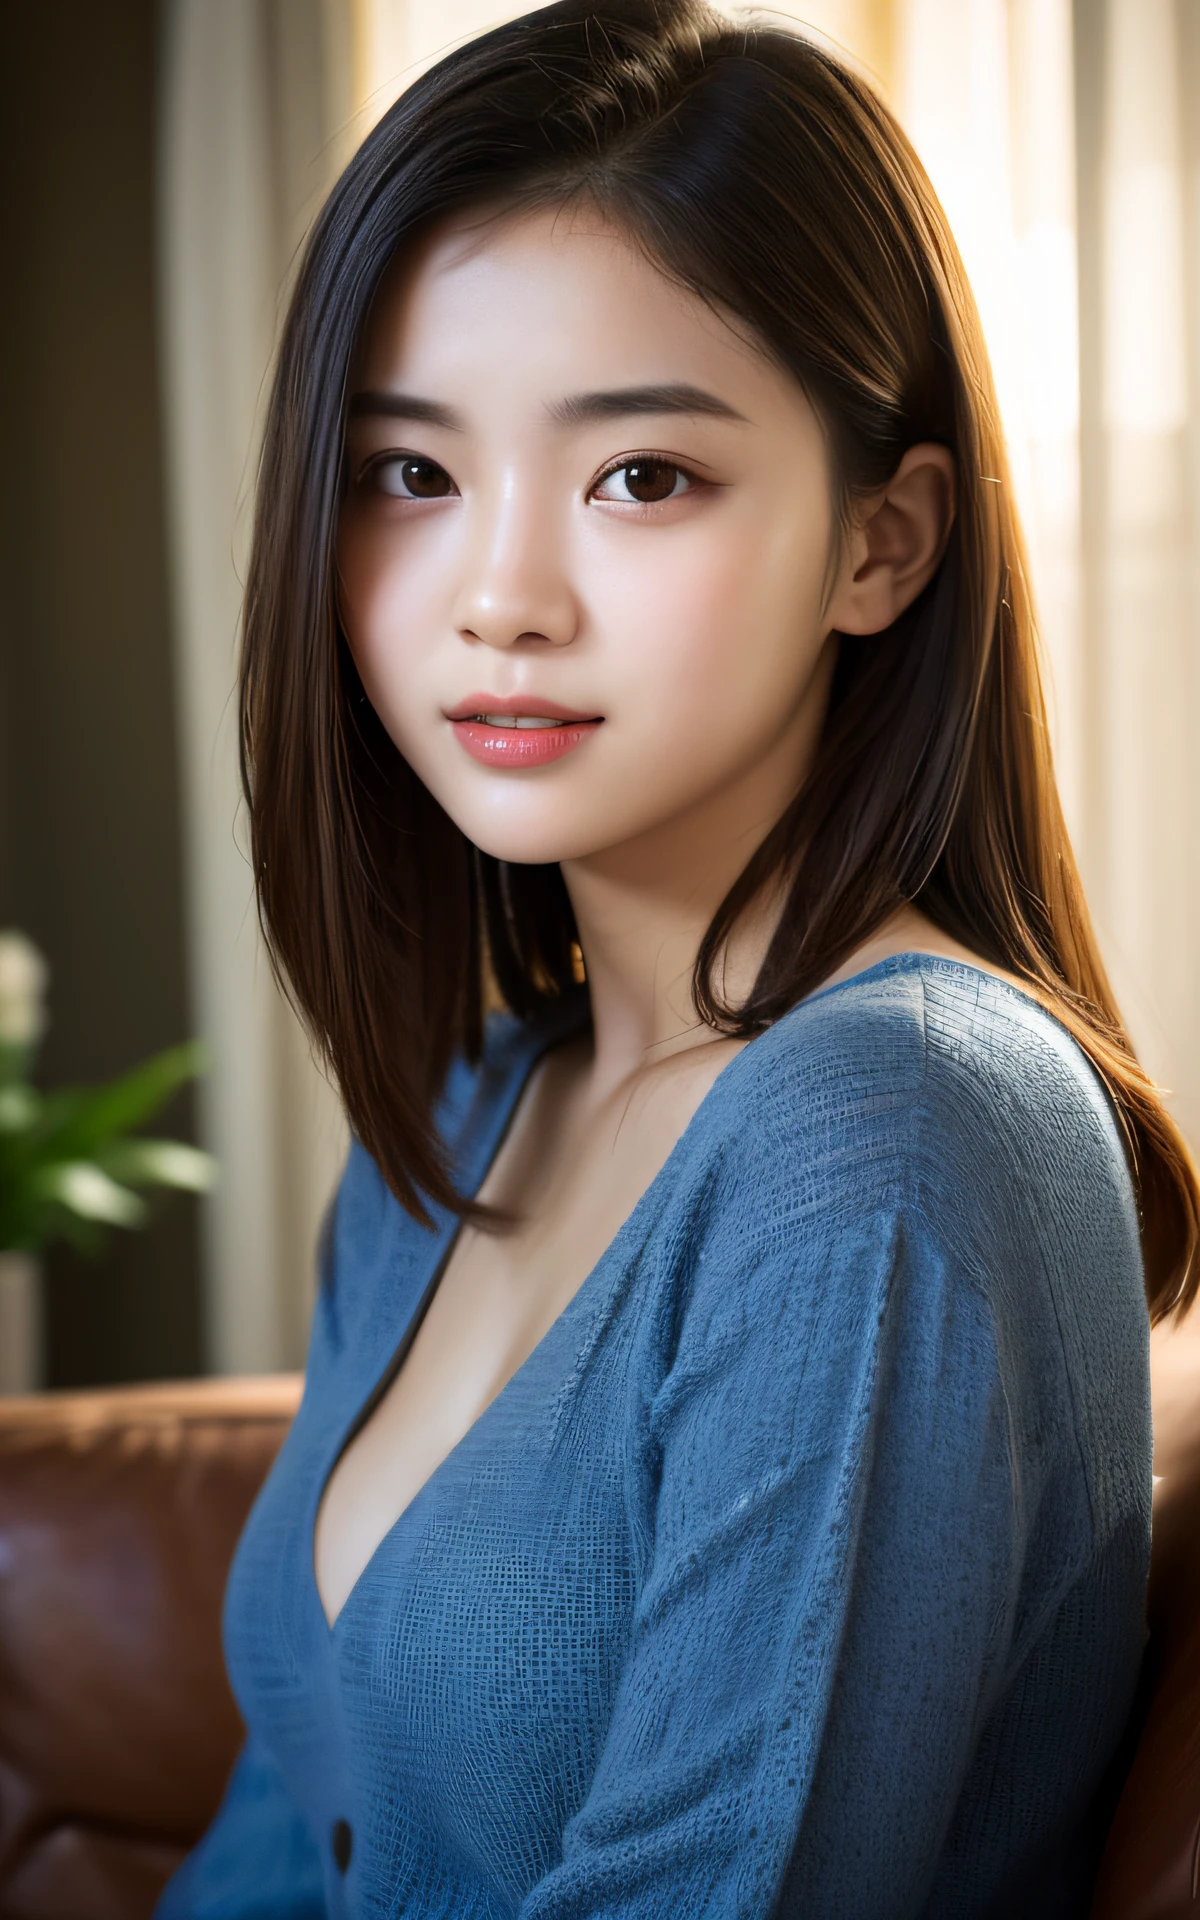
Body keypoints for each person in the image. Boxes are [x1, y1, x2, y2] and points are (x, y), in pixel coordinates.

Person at [156, 2, 1199, 1914]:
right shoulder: (463, 1114)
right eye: (409, 475)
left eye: (640, 476)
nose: (500, 599)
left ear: (882, 546)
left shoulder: (891, 1130)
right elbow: (272, 1847)